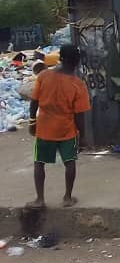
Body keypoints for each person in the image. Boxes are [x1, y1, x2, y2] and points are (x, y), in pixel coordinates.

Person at [27, 45, 90, 208]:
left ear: (60, 58)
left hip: (44, 129)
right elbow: (79, 114)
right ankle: (67, 198)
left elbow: (34, 101)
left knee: (39, 162)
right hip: (67, 130)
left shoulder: (43, 76)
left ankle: (39, 199)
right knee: (70, 162)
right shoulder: (78, 84)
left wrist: (32, 122)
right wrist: (82, 136)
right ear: (76, 62)